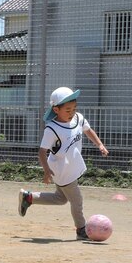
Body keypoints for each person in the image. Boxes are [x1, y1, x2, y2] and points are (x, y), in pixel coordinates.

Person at [18, 87, 109, 240]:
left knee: (61, 199)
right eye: (67, 110)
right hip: (61, 169)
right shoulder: (52, 129)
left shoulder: (78, 118)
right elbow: (42, 151)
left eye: (74, 108)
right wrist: (46, 171)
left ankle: (29, 198)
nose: (72, 112)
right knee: (76, 200)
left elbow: (88, 130)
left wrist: (99, 144)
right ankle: (81, 229)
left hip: (71, 166)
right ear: (56, 109)